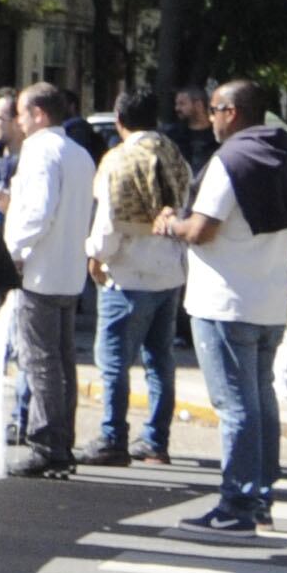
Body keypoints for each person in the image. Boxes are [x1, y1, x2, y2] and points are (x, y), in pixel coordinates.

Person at [159, 78, 287, 536]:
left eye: (216, 108)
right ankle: (260, 498)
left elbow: (203, 228)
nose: (210, 115)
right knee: (260, 399)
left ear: (232, 112)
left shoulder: (231, 161)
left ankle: (238, 504)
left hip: (223, 300)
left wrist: (170, 224)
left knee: (236, 404)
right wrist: (281, 265)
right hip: (266, 299)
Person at [83, 90, 190, 467]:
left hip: (128, 273)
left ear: (119, 119)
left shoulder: (118, 159)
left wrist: (97, 256)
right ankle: (156, 441)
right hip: (169, 270)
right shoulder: (173, 153)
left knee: (114, 361)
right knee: (160, 359)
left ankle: (113, 436)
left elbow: (108, 219)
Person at [0, 83, 97, 478]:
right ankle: (61, 440)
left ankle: (47, 444)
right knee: (61, 361)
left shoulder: (41, 152)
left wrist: (14, 254)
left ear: (39, 114)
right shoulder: (79, 153)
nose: (18, 122)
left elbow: (36, 212)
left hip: (38, 272)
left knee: (39, 361)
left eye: (21, 113)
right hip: (68, 271)